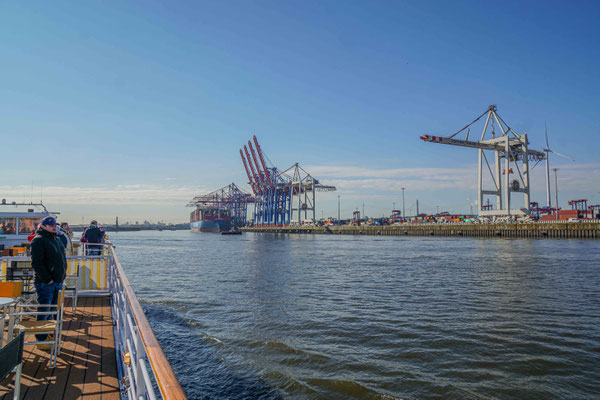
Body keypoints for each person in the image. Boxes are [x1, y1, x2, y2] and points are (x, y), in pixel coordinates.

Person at [30, 216, 66, 344]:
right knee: (44, 310)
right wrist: (47, 279)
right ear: (43, 226)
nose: (54, 227)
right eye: (50, 225)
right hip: (46, 283)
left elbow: (61, 255)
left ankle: (48, 335)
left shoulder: (55, 238)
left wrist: (61, 277)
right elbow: (37, 263)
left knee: (52, 311)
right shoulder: (38, 240)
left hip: (57, 281)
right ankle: (41, 339)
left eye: (55, 225)